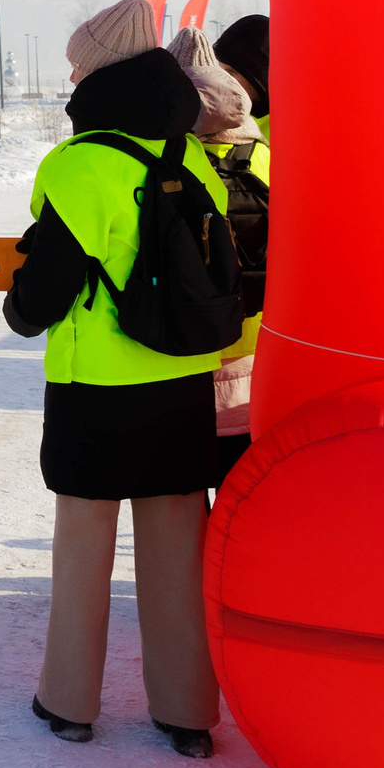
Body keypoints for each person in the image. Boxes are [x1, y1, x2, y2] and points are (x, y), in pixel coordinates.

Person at [1, 0, 225, 759]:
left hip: (96, 389)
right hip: (182, 384)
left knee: (84, 549)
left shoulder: (79, 163)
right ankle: (188, 711)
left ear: (97, 74)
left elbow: (46, 290)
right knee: (176, 551)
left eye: (75, 63)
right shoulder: (191, 156)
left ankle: (69, 701)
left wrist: (19, 306)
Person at [169, 30, 268, 489]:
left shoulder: (168, 158)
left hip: (178, 355)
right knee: (247, 492)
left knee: (183, 503)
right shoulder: (271, 158)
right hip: (257, 353)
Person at [213, 14, 270, 145]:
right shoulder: (218, 125)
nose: (224, 82)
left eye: (232, 73)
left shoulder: (296, 126)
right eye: (221, 72)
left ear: (259, 76)